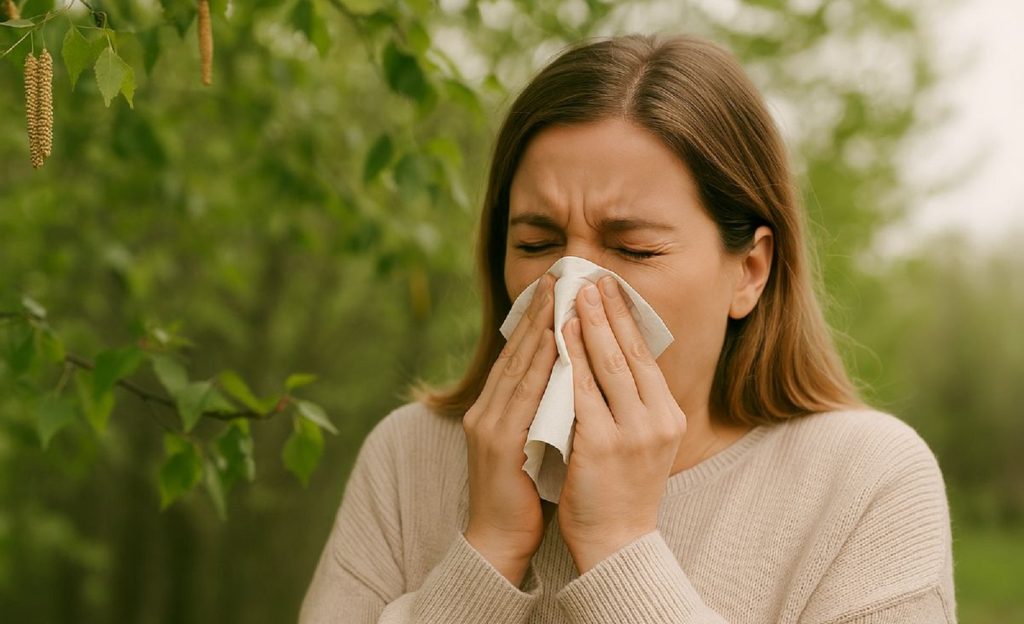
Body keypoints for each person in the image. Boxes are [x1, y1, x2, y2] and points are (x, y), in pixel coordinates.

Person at [298, 33, 956, 623]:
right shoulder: (409, 457)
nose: (570, 291)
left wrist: (621, 550)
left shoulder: (867, 481)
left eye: (634, 249)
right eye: (537, 242)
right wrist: (489, 549)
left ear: (749, 272)